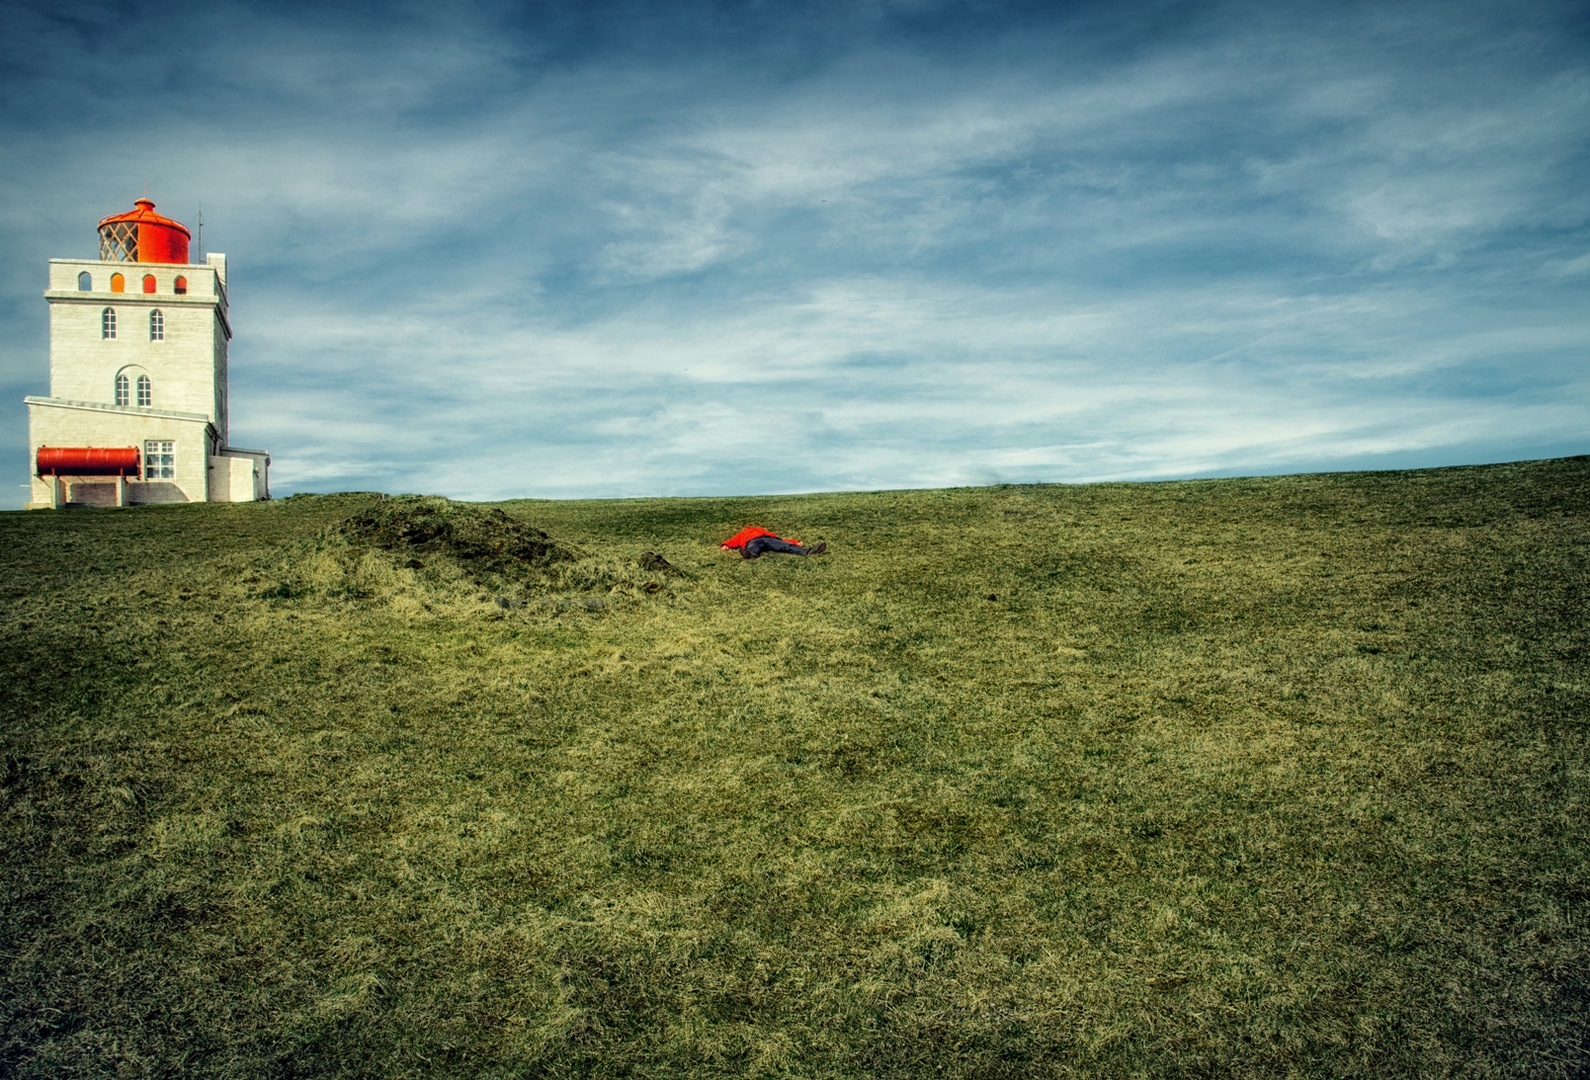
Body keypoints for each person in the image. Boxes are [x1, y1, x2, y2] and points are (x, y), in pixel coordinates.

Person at [720, 526, 827, 559]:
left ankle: (808, 551)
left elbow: (779, 539)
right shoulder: (741, 535)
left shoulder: (761, 530)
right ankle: (750, 554)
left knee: (784, 545)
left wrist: (795, 541)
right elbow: (732, 541)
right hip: (753, 541)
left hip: (767, 539)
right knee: (753, 546)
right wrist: (725, 545)